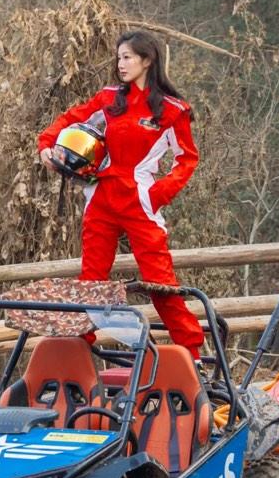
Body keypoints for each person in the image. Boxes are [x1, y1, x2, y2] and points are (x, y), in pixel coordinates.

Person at [35, 31, 202, 358]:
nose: (120, 63)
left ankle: (192, 356)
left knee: (160, 283)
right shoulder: (110, 97)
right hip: (100, 198)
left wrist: (157, 195)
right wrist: (47, 145)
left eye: (127, 57)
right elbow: (72, 119)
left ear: (147, 60)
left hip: (140, 201)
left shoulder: (172, 110)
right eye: (119, 57)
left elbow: (187, 159)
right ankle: (79, 354)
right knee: (91, 283)